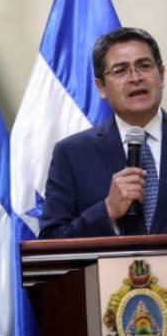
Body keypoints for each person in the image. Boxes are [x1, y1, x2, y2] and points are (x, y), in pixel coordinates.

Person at [40, 27, 166, 238]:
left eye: (144, 66)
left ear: (161, 74)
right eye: (120, 70)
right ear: (101, 87)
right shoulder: (72, 154)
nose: (135, 78)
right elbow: (51, 240)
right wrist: (106, 210)